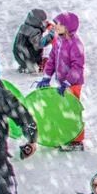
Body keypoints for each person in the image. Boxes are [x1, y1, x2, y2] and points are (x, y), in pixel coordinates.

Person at [39, 10, 87, 150]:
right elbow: (52, 59)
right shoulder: (59, 41)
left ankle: (76, 141)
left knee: (72, 109)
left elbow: (77, 66)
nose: (55, 26)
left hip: (73, 84)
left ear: (68, 27)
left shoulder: (75, 44)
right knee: (63, 110)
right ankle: (67, 135)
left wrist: (68, 82)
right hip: (62, 83)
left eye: (59, 24)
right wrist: (47, 77)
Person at [12, 8, 50, 74]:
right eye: (43, 22)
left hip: (19, 55)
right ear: (37, 21)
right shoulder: (35, 31)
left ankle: (24, 66)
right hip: (30, 57)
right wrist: (50, 36)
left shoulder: (24, 27)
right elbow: (39, 44)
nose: (44, 24)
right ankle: (33, 67)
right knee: (46, 60)